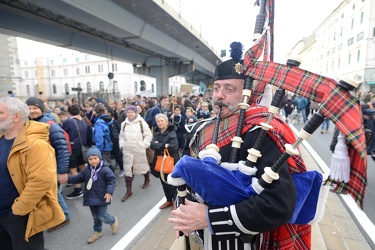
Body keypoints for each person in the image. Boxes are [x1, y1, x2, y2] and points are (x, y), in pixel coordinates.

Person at [168, 44, 307, 249]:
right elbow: (186, 180)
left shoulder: (261, 134)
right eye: (216, 88)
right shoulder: (200, 129)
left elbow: (279, 205)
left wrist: (209, 218)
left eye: (229, 89)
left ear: (247, 95)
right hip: (198, 239)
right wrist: (183, 213)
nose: (219, 95)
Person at [0, 97, 64, 249]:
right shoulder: (2, 139)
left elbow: (41, 181)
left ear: (16, 116)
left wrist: (18, 210)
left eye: (0, 112)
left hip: (20, 216)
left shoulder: (35, 144)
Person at [25, 97, 72, 232]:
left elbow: (62, 148)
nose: (32, 111)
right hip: (40, 165)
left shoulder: (50, 124)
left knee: (52, 192)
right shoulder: (30, 123)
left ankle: (63, 217)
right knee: (51, 192)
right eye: (29, 108)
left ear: (41, 109)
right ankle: (60, 216)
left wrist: (62, 171)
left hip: (51, 166)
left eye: (35, 108)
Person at [65, 146, 118, 244]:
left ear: (99, 158)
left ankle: (113, 221)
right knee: (95, 216)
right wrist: (67, 178)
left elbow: (112, 180)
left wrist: (109, 192)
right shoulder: (86, 170)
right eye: (90, 159)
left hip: (102, 197)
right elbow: (78, 178)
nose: (93, 161)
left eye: (95, 158)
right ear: (87, 160)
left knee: (102, 215)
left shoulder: (105, 169)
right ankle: (97, 231)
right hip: (90, 198)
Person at [119, 105, 152, 202]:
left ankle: (147, 179)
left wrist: (144, 145)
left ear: (135, 112)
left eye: (131, 112)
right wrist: (122, 145)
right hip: (128, 151)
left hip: (139, 150)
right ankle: (129, 191)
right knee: (128, 171)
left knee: (143, 167)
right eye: (128, 112)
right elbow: (121, 136)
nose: (130, 114)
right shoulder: (124, 124)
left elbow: (148, 135)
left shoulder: (142, 123)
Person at [150, 113, 180, 209]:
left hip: (170, 160)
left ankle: (176, 201)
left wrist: (158, 145)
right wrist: (164, 145)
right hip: (160, 160)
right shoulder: (157, 132)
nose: (160, 123)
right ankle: (168, 200)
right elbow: (152, 145)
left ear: (166, 122)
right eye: (158, 121)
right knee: (163, 182)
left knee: (172, 182)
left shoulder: (171, 132)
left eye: (162, 120)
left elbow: (173, 147)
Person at [62, 104, 88, 199]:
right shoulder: (82, 119)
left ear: (69, 113)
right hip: (82, 146)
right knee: (82, 166)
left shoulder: (69, 121)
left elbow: (63, 133)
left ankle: (78, 190)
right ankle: (90, 183)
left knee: (73, 169)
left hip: (73, 147)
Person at [93, 103, 114, 169]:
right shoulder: (109, 118)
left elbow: (99, 137)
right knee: (108, 162)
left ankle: (110, 178)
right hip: (109, 143)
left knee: (105, 165)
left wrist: (99, 150)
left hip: (104, 146)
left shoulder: (99, 122)